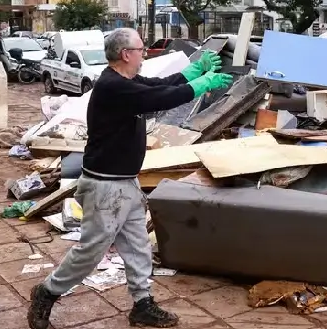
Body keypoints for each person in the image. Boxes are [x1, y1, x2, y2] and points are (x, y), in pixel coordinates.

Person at [27, 28, 233, 329]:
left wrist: (191, 71)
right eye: (141, 48)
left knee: (138, 247)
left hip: (125, 183)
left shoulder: (127, 82)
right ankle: (47, 292)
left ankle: (142, 304)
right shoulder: (113, 87)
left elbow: (160, 85)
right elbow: (161, 98)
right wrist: (202, 84)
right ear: (126, 54)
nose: (145, 52)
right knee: (90, 252)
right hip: (104, 187)